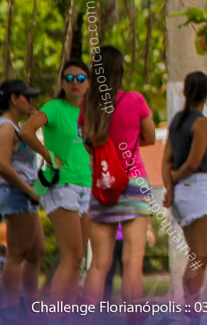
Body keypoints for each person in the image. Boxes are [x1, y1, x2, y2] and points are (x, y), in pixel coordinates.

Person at [79, 46, 156, 304]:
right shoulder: (135, 100)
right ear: (120, 71)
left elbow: (88, 144)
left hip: (103, 185)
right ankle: (133, 319)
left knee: (99, 265)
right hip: (134, 183)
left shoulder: (86, 106)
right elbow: (150, 137)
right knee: (133, 263)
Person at [20, 59, 93, 304]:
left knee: (79, 257)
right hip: (62, 185)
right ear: (62, 83)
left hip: (86, 184)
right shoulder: (54, 107)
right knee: (72, 257)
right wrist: (48, 155)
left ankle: (68, 313)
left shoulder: (89, 113)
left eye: (81, 78)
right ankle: (56, 315)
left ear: (89, 84)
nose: (75, 83)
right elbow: (26, 131)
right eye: (69, 78)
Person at [162, 71, 207, 300]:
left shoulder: (177, 121)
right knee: (200, 255)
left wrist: (170, 187)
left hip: (182, 195)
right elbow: (193, 162)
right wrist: (176, 177)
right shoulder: (201, 123)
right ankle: (192, 307)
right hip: (199, 190)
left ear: (184, 92)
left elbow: (166, 159)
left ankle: (190, 304)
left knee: (194, 255)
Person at [0, 79, 44, 308]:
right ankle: (10, 309)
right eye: (27, 97)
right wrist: (28, 190)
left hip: (26, 194)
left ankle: (31, 304)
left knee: (37, 251)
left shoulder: (16, 126)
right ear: (14, 98)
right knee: (17, 253)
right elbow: (2, 166)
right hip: (17, 194)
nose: (31, 101)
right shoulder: (6, 128)